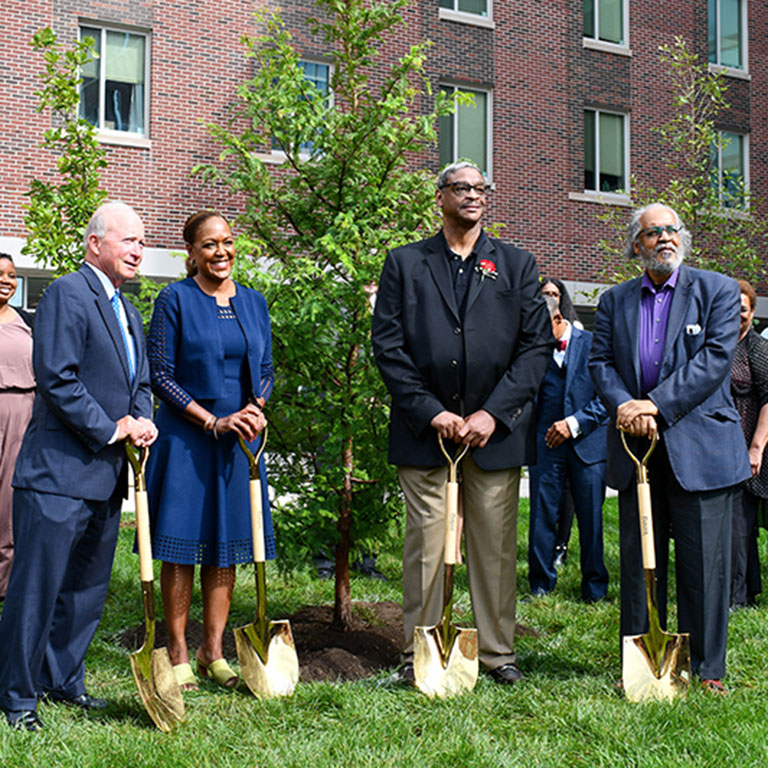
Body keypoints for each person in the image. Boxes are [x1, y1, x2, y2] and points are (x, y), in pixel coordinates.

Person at [372, 161, 552, 684]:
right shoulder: (405, 263)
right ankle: (420, 653)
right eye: (462, 188)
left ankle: (497, 655)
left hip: (494, 436)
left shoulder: (517, 264)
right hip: (424, 433)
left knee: (494, 549)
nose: (473, 195)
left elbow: (535, 346)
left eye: (480, 188)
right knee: (426, 548)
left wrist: (492, 414)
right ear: (440, 197)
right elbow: (388, 347)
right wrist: (433, 412)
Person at [0, 202, 157, 731]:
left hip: (106, 477)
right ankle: (17, 697)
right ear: (95, 243)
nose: (138, 250)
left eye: (142, 242)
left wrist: (143, 419)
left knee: (85, 590)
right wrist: (115, 428)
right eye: (128, 240)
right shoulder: (68, 293)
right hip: (58, 475)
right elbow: (57, 378)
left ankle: (63, 681)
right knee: (37, 591)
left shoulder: (127, 309)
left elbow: (140, 381)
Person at [589, 202, 751, 694]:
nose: (664, 237)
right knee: (641, 562)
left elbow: (715, 360)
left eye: (671, 229)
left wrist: (654, 405)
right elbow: (600, 363)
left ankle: (707, 669)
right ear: (635, 244)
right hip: (636, 448)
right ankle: (642, 662)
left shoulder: (717, 290)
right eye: (652, 231)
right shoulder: (614, 300)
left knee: (705, 567)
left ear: (683, 237)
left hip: (701, 448)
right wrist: (626, 406)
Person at [145, 210, 272, 691]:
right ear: (192, 252)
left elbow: (266, 368)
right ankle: (178, 650)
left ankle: (212, 652)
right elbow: (161, 375)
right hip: (187, 438)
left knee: (227, 546)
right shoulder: (174, 299)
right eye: (209, 244)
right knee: (180, 546)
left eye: (227, 242)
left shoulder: (254, 302)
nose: (221, 252)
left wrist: (255, 408)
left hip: (240, 441)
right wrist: (212, 420)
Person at [528, 296, 609, 602]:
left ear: (558, 319)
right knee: (541, 515)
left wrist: (574, 424)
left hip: (588, 443)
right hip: (545, 443)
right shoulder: (533, 350)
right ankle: (540, 584)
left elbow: (607, 396)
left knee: (591, 518)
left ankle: (594, 588)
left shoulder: (594, 344)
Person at [539, 277, 582, 568]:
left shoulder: (579, 334)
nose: (551, 297)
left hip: (575, 429)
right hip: (545, 430)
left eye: (555, 293)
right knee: (544, 497)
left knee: (570, 492)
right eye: (545, 293)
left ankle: (561, 544)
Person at [729, 279, 768, 609]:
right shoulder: (719, 344)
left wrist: (756, 448)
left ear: (752, 312)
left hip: (748, 448)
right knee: (736, 523)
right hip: (720, 449)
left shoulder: (758, 349)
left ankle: (737, 597)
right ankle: (748, 587)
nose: (737, 314)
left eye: (742, 309)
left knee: (740, 525)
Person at [0, 254, 35, 599]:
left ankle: (5, 582)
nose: (6, 281)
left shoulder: (27, 321)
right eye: (0, 274)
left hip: (22, 412)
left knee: (8, 498)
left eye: (12, 275)